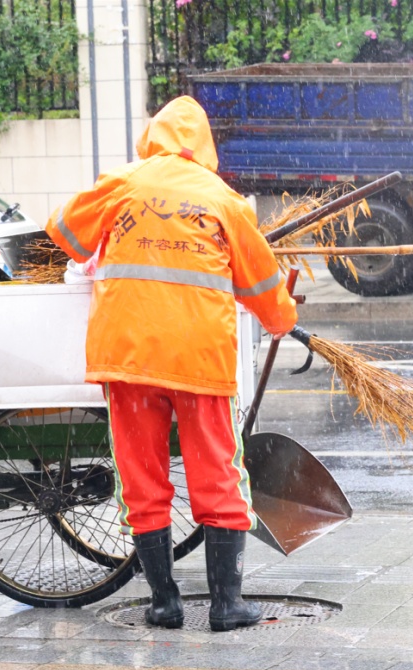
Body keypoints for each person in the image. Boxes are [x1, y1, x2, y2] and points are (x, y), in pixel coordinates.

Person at [45, 96, 298, 632]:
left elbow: (62, 230)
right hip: (199, 362)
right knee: (217, 472)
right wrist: (283, 320)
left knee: (141, 476)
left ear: (152, 137)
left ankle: (164, 603)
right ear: (204, 145)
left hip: (128, 357)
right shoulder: (224, 200)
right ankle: (227, 606)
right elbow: (264, 289)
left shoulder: (123, 184)